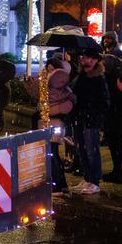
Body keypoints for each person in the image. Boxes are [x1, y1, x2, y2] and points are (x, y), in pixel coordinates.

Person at [70, 48, 110, 194]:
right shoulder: (80, 76)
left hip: (90, 120)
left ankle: (94, 181)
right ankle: (87, 178)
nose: (86, 61)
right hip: (79, 118)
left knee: (91, 150)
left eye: (89, 58)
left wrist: (94, 115)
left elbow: (104, 102)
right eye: (84, 57)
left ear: (95, 61)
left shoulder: (98, 79)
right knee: (81, 149)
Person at [42, 56, 74, 192]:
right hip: (46, 123)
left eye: (52, 70)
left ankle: (59, 183)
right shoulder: (46, 87)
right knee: (49, 153)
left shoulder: (63, 89)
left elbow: (67, 106)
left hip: (55, 124)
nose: (49, 73)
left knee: (53, 152)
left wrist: (52, 110)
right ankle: (55, 182)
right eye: (48, 70)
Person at [101, 51, 122, 183]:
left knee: (116, 144)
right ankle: (116, 170)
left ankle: (118, 171)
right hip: (111, 114)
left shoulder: (119, 77)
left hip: (117, 114)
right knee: (113, 144)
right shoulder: (107, 76)